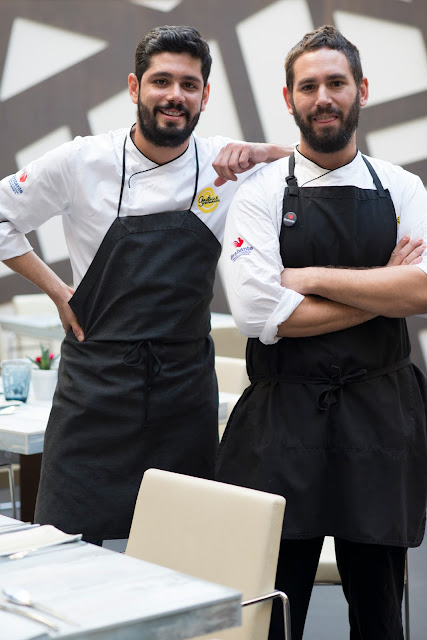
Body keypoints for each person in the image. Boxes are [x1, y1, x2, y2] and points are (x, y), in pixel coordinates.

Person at [0, 25, 293, 544]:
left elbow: (319, 170)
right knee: (65, 544)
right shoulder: (82, 160)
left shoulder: (227, 164)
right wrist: (57, 290)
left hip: (184, 390)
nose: (174, 95)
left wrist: (269, 152)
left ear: (205, 96)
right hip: (96, 387)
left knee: (185, 547)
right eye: (161, 81)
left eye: (188, 84)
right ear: (135, 87)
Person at [216, 25, 427, 640]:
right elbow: (258, 314)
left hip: (379, 418)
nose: (323, 97)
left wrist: (305, 278)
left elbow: (420, 291)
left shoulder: (402, 187)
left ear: (362, 89)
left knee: (380, 613)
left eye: (336, 83)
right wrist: (380, 288)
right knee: (271, 612)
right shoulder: (257, 192)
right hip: (282, 421)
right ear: (289, 99)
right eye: (308, 87)